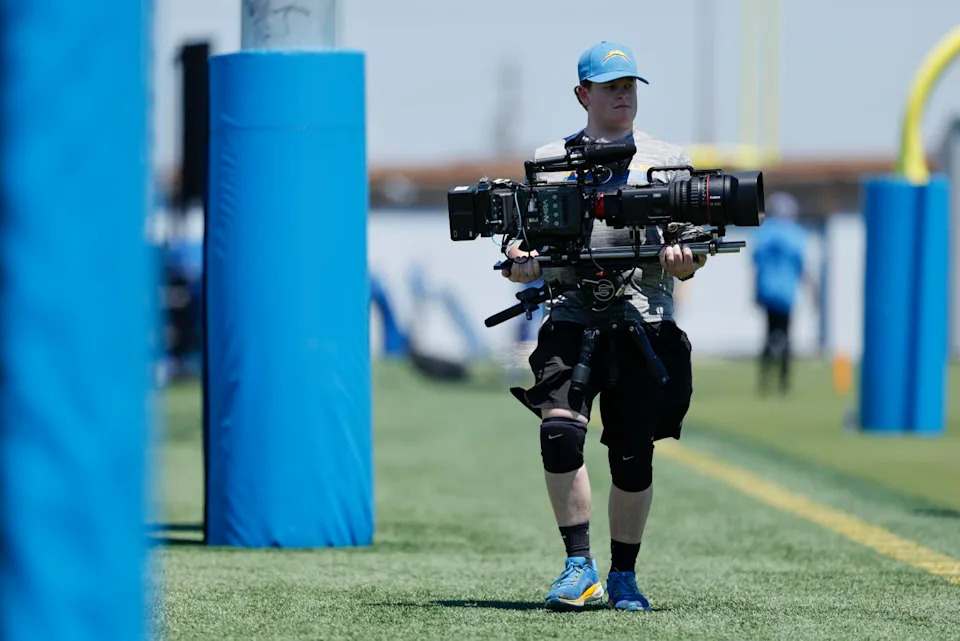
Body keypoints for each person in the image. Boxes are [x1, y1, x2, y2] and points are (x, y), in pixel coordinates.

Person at [501, 41, 707, 611]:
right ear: (582, 94)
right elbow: (528, 245)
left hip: (644, 322)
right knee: (559, 431)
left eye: (630, 85)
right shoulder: (550, 160)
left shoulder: (667, 158)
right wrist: (522, 263)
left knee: (632, 454)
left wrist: (686, 259)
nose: (623, 94)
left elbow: (693, 247)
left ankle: (623, 576)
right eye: (612, 85)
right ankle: (577, 566)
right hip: (570, 316)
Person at [750, 191, 810, 395]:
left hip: (768, 291)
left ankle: (764, 381)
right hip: (786, 293)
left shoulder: (764, 233)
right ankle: (783, 383)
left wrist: (755, 291)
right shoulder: (795, 233)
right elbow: (802, 266)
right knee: (785, 337)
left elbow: (756, 264)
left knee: (768, 335)